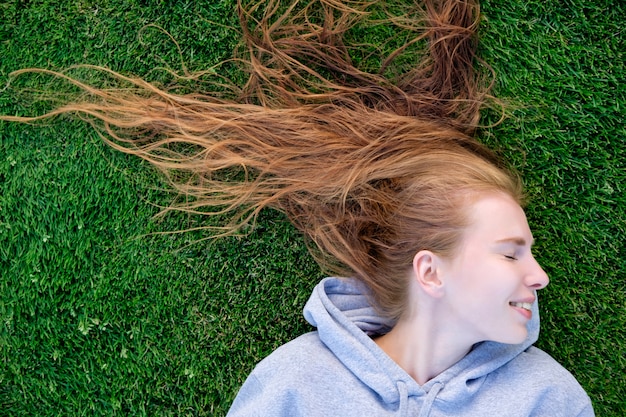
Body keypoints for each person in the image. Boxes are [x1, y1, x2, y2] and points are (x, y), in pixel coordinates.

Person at [2, 0, 593, 415]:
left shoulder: (550, 400)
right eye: (511, 252)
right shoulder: (295, 386)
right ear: (430, 270)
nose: (539, 275)